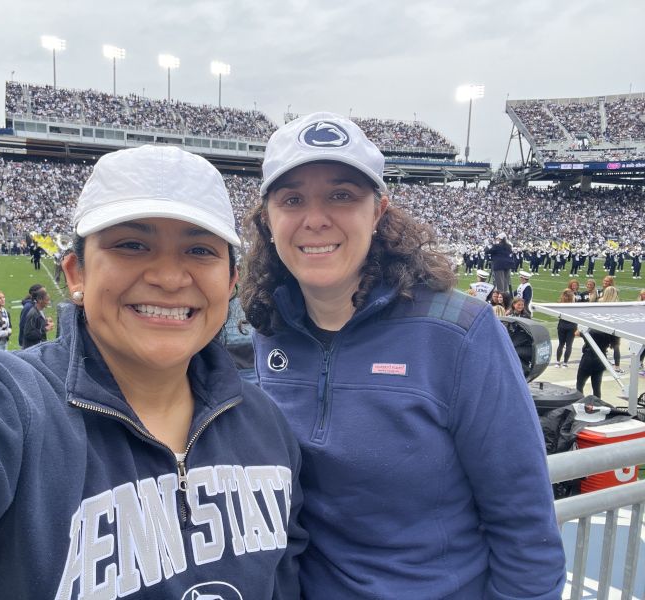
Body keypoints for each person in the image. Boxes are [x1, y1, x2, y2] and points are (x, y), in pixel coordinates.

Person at [0, 145, 305, 598]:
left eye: (200, 250)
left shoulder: (268, 428)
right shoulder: (4, 405)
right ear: (75, 274)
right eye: (131, 245)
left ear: (230, 283)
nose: (169, 277)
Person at [240, 112, 564, 599]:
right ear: (269, 221)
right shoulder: (263, 328)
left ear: (379, 211)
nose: (315, 218)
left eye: (342, 195)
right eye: (292, 199)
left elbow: (525, 528)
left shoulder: (459, 334)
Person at [576, 329, 616, 398]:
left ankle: (580, 402)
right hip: (601, 360)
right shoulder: (608, 333)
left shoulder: (591, 332)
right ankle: (597, 404)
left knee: (580, 385)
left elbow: (576, 333)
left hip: (587, 360)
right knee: (596, 388)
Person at [554, 289, 578, 369]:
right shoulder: (574, 305)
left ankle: (557, 362)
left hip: (562, 325)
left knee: (561, 344)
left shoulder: (560, 304)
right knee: (569, 345)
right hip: (572, 326)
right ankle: (565, 363)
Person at [18, 283, 44, 348]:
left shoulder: (38, 305)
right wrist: (43, 330)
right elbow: (24, 326)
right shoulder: (28, 307)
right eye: (44, 293)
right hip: (30, 345)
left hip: (36, 342)